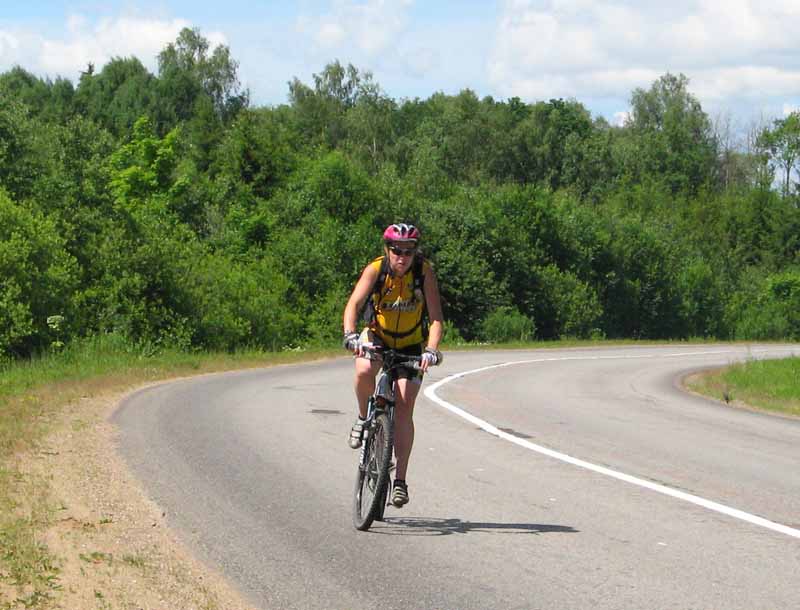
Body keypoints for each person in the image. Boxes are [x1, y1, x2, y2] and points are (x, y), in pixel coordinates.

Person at [342, 223, 444, 508]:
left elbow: (436, 318)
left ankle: (400, 481)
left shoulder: (423, 272)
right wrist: (350, 335)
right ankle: (363, 418)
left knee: (404, 404)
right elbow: (353, 304)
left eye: (409, 252)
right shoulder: (376, 269)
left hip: (410, 343)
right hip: (378, 335)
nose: (402, 257)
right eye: (397, 251)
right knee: (364, 369)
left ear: (415, 252)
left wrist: (431, 350)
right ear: (387, 249)